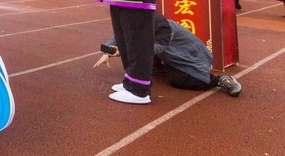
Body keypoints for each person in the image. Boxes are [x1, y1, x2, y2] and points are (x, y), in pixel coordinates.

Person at [95, 12, 242, 96]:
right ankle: (160, 69)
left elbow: (154, 49)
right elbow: (121, 35)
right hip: (173, 57)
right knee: (143, 55)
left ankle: (218, 80)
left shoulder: (166, 30)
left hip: (192, 59)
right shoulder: (145, 22)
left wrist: (124, 50)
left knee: (177, 81)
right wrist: (108, 51)